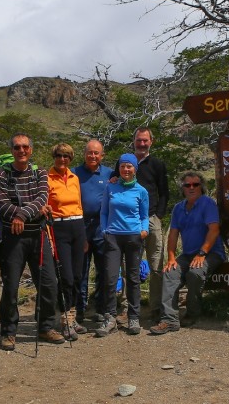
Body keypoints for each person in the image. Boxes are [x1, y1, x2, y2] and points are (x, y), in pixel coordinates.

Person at [0, 133, 64, 351]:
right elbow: (1, 203)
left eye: (25, 147)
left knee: (49, 283)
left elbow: (42, 198)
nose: (21, 151)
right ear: (11, 150)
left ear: (31, 150)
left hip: (38, 235)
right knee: (11, 286)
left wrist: (20, 216)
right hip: (13, 239)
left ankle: (46, 326)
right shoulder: (0, 175)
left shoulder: (40, 172)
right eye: (16, 147)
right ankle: (8, 332)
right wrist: (25, 213)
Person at [150, 171, 226, 335]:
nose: (191, 188)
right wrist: (171, 257)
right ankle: (169, 320)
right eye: (187, 185)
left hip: (211, 252)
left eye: (196, 184)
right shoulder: (178, 208)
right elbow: (173, 234)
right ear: (182, 188)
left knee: (195, 273)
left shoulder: (208, 204)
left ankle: (192, 312)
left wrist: (202, 253)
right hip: (188, 254)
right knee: (170, 273)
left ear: (202, 187)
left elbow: (214, 230)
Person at [113, 127, 169, 322]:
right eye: (139, 140)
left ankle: (155, 307)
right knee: (129, 266)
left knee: (156, 265)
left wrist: (159, 216)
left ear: (151, 142)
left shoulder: (157, 164)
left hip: (152, 219)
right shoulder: (124, 162)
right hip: (129, 223)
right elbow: (114, 182)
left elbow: (164, 192)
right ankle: (128, 307)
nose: (142, 144)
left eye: (145, 140)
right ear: (134, 141)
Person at [96, 153, 149, 337]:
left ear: (135, 169)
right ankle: (109, 317)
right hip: (113, 237)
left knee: (133, 279)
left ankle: (134, 316)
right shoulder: (111, 188)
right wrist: (105, 231)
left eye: (129, 166)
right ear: (119, 168)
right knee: (110, 278)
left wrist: (144, 230)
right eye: (123, 166)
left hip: (134, 237)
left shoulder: (141, 191)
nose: (126, 169)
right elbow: (103, 212)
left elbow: (144, 215)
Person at [45, 143, 88, 340]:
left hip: (77, 226)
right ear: (54, 156)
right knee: (66, 277)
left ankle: (73, 318)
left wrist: (84, 235)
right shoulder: (47, 179)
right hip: (59, 227)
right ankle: (64, 320)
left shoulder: (74, 178)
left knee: (78, 275)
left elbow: (79, 205)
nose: (63, 159)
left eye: (67, 157)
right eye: (60, 156)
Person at [72, 139, 112, 323]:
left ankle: (101, 308)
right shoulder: (74, 173)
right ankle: (79, 308)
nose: (93, 156)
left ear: (102, 155)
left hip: (103, 229)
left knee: (103, 271)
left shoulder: (109, 173)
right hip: (81, 227)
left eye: (96, 153)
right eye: (90, 152)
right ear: (84, 154)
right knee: (81, 271)